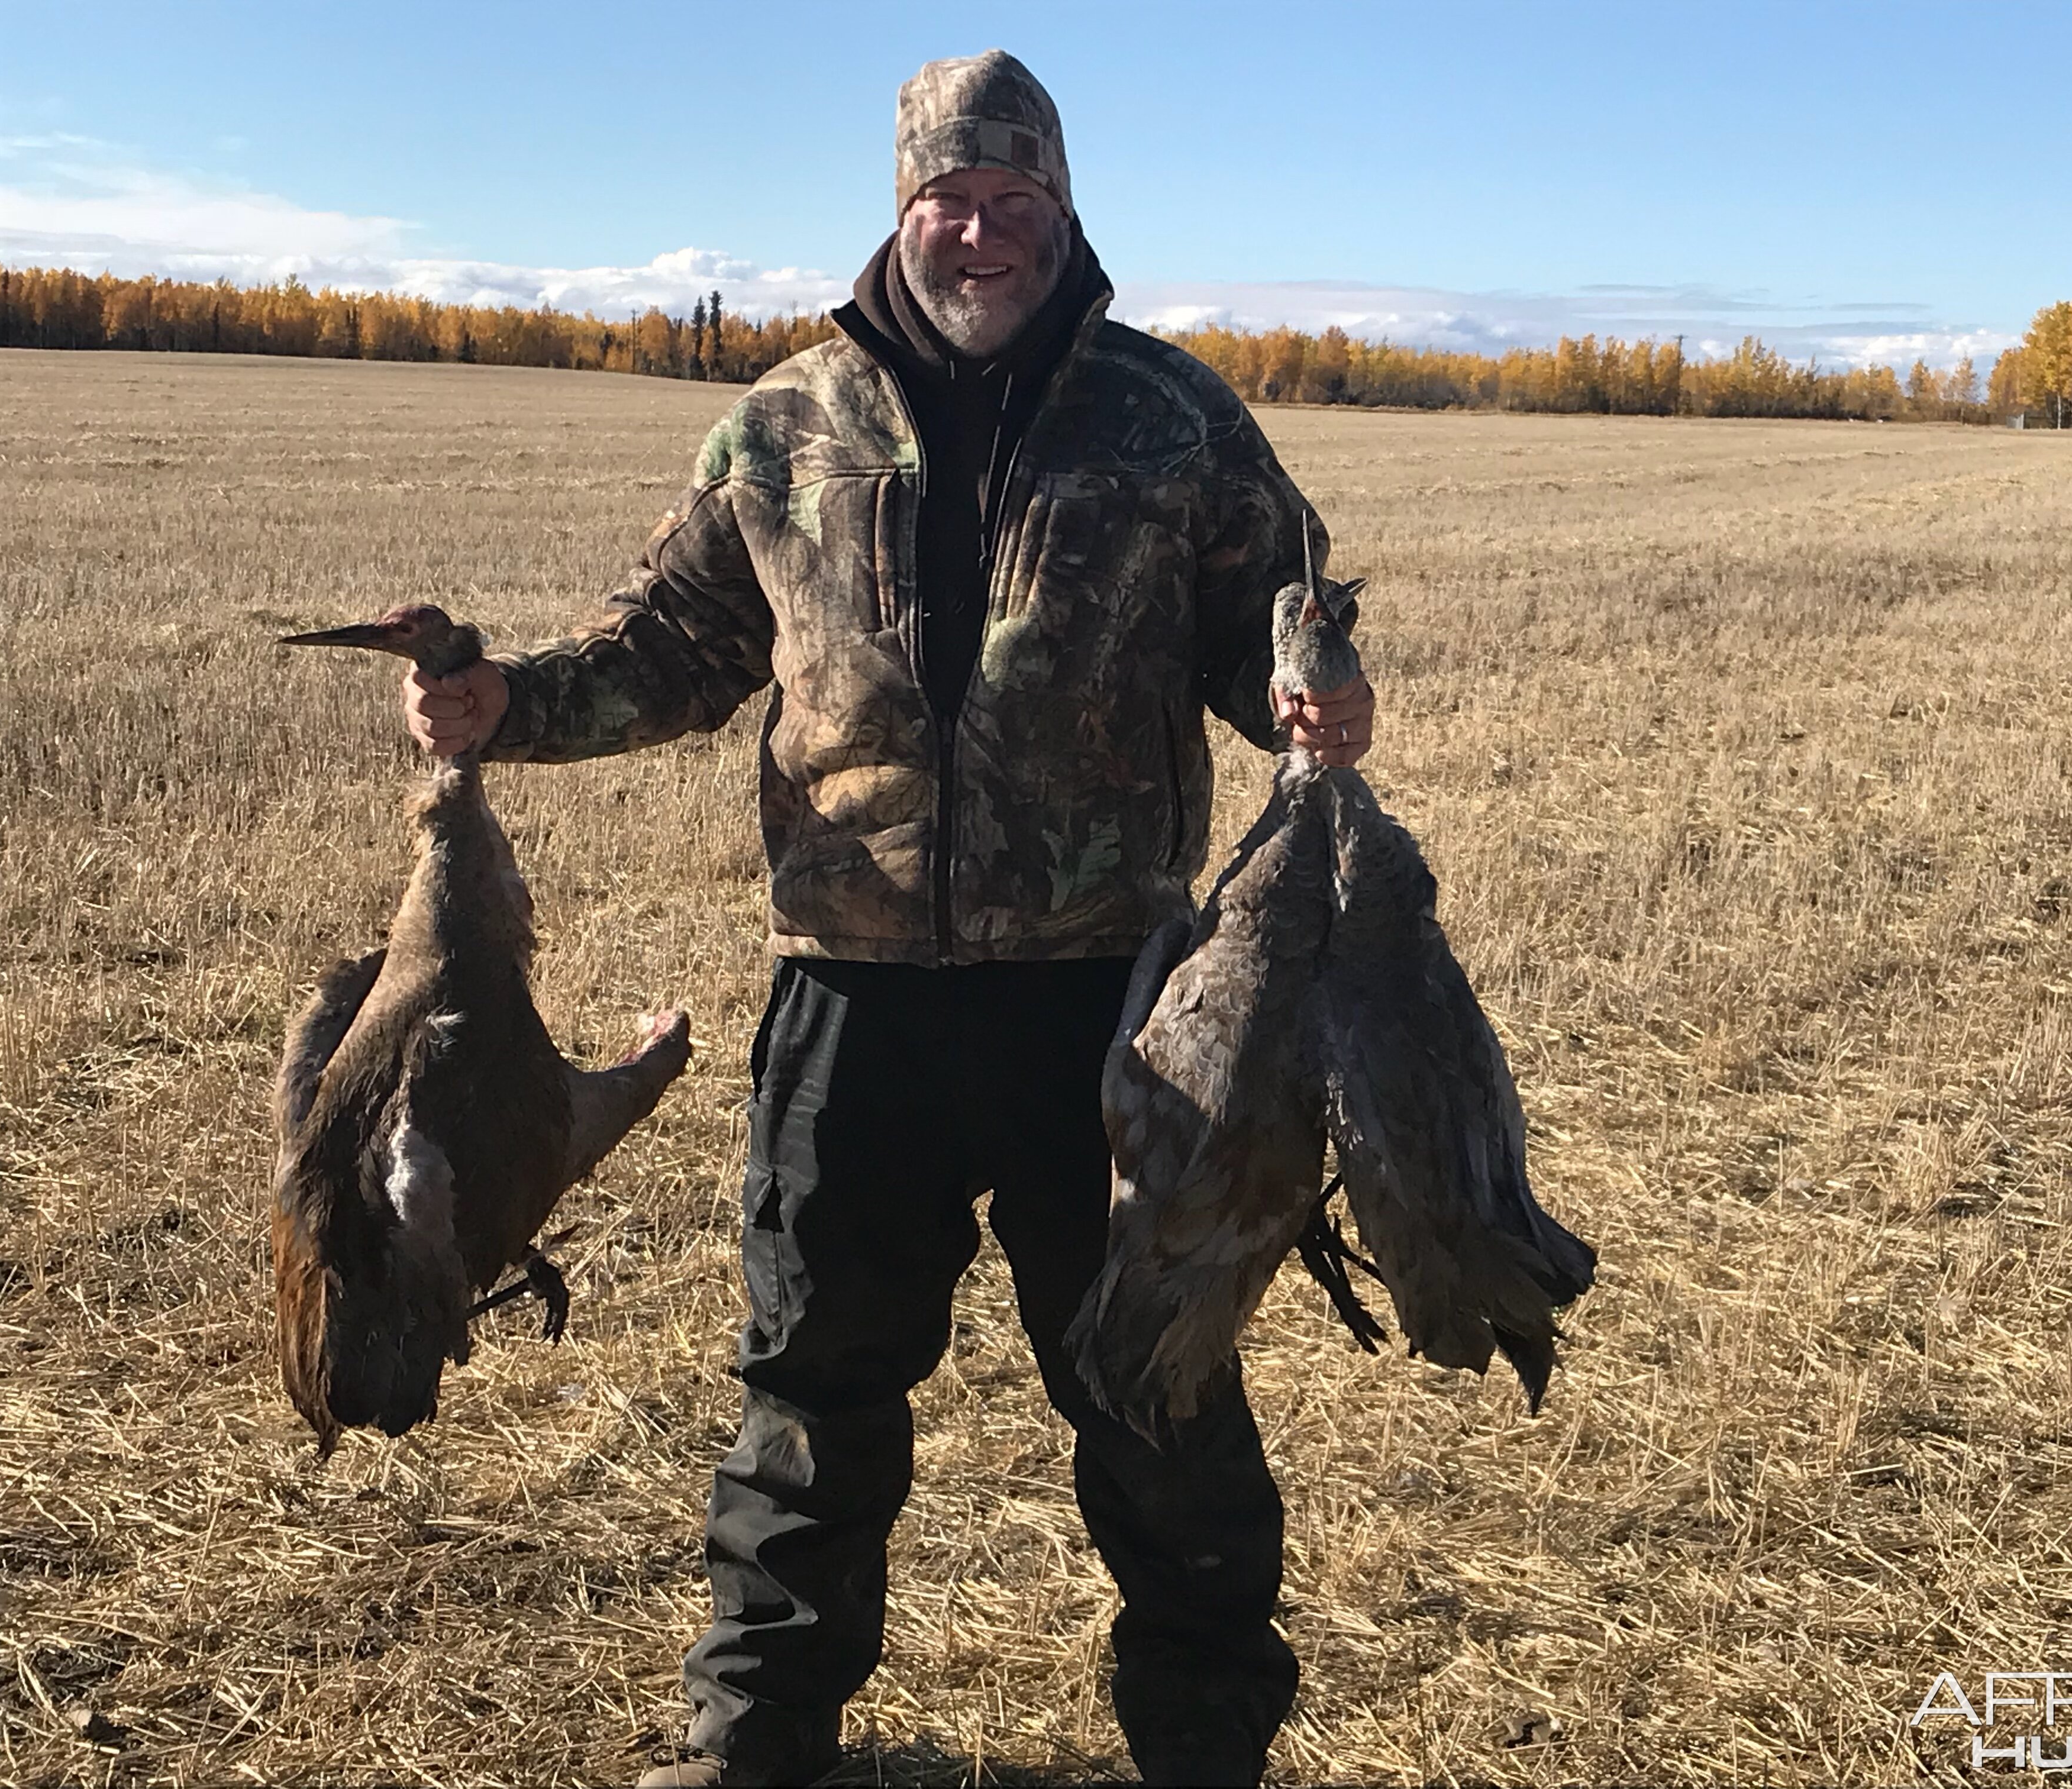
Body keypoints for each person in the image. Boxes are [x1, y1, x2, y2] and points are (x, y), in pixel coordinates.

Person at [402, 49, 1372, 1788]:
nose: (982, 232)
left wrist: (1319, 683)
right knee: (809, 1404)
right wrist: (507, 708)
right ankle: (756, 1748)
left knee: (1159, 1391)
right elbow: (670, 650)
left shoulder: (1174, 417)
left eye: (1018, 202)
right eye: (953, 198)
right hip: (853, 995)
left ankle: (1207, 1748)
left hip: (1123, 1008)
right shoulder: (784, 424)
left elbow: (1278, 623)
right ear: (902, 207)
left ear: (1067, 212)